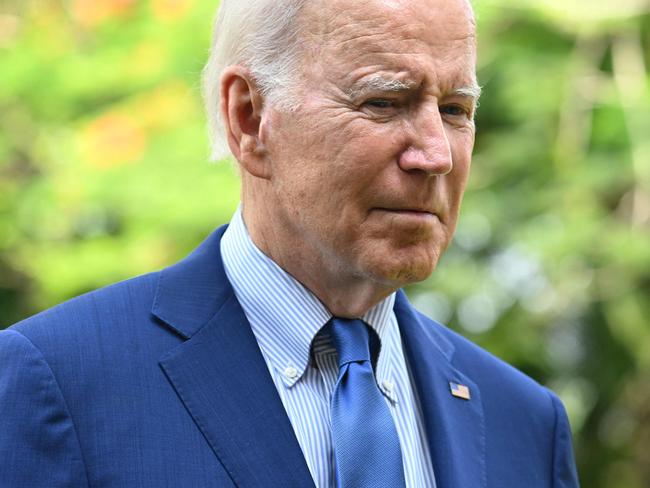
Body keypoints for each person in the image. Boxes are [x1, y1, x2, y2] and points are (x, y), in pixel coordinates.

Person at [0, 0, 580, 486]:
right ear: (249, 118)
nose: (436, 154)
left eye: (455, 109)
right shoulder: (58, 385)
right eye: (383, 102)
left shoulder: (524, 424)